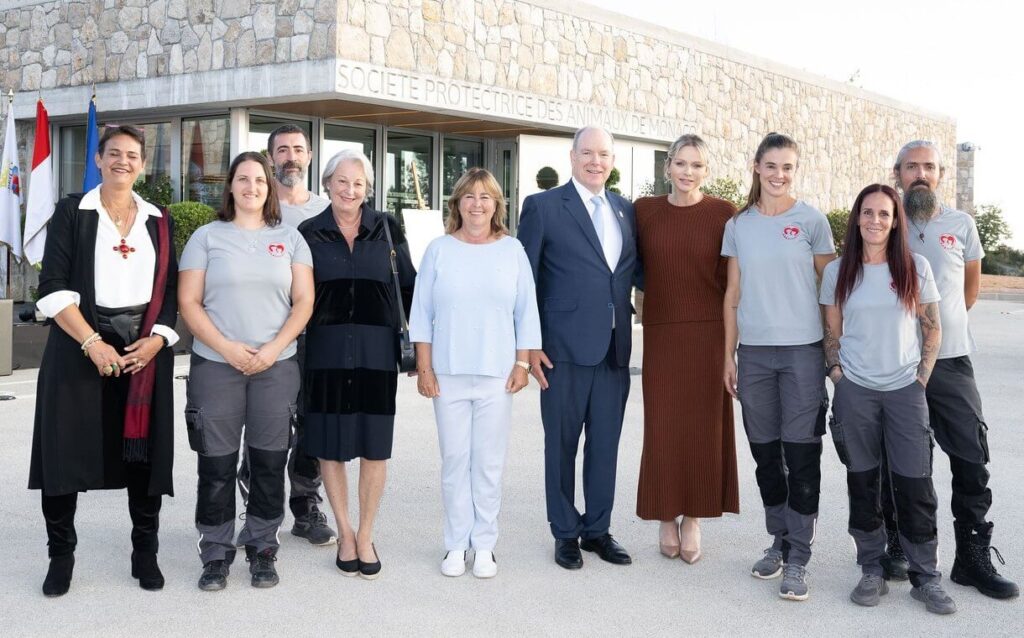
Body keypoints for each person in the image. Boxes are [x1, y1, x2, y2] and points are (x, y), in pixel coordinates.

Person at [29, 125, 179, 596]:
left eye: (132, 155)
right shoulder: (73, 212)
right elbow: (51, 286)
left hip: (143, 350)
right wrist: (92, 343)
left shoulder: (159, 218)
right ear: (98, 160)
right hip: (79, 344)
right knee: (64, 452)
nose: (123, 161)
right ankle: (61, 557)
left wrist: (157, 340)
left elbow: (171, 289)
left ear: (142, 164)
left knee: (144, 456)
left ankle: (145, 552)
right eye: (114, 153)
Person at [879, 140, 1018, 599]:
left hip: (952, 361)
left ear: (941, 174)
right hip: (894, 365)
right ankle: (898, 544)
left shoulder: (961, 225)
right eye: (911, 166)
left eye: (929, 167)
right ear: (897, 172)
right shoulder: (882, 220)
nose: (921, 173)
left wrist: (942, 335)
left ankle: (972, 557)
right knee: (897, 461)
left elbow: (968, 291)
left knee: (971, 459)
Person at [178, 152, 314, 590]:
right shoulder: (206, 237)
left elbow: (304, 302)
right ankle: (215, 553)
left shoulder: (291, 238)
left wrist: (273, 348)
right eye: (243, 179)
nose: (251, 186)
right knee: (216, 466)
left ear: (269, 187)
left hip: (276, 367)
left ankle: (262, 548)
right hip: (217, 366)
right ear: (230, 186)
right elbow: (189, 303)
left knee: (269, 463)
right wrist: (228, 348)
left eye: (259, 179)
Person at [821, 183, 955, 614]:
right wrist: (838, 376)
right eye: (867, 212)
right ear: (856, 218)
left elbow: (933, 328)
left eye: (883, 213)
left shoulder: (914, 267)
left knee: (916, 484)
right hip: (855, 391)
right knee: (863, 482)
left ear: (896, 220)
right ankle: (871, 568)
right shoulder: (839, 270)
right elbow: (831, 333)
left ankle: (926, 577)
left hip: (904, 391)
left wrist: (920, 379)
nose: (874, 221)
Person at [409, 168, 542, 578]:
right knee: (454, 461)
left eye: (486, 196)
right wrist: (424, 368)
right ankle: (455, 544)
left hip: (496, 374)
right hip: (447, 373)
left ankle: (484, 545)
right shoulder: (439, 250)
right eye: (469, 196)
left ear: (497, 204)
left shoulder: (512, 250)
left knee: (487, 463)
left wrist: (522, 364)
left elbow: (526, 311)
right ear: (458, 203)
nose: (477, 203)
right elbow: (422, 313)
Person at [518, 125, 638, 570]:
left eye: (603, 154)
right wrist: (528, 346)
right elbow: (523, 279)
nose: (595, 162)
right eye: (587, 153)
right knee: (562, 446)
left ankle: (598, 530)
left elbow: (632, 274)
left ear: (612, 160)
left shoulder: (626, 210)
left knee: (605, 445)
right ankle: (565, 532)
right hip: (562, 350)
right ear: (572, 157)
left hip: (614, 350)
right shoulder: (543, 207)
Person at [721, 132, 835, 601]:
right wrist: (727, 354)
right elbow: (732, 296)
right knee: (766, 455)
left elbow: (832, 292)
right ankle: (778, 539)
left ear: (795, 170)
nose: (779, 175)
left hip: (803, 355)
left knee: (802, 455)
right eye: (771, 166)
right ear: (756, 167)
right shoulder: (740, 224)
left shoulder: (812, 221)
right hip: (755, 358)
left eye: (787, 167)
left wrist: (834, 352)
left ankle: (799, 556)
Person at [296, 149, 415, 580]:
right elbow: (295, 294)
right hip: (324, 352)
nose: (350, 190)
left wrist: (419, 347)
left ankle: (366, 533)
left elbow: (410, 286)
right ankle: (344, 531)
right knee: (330, 446)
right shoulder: (309, 232)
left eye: (358, 183)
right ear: (327, 184)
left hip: (376, 353)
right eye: (342, 181)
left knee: (373, 445)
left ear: (368, 188)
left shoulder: (386, 227)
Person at [634, 134, 739, 564]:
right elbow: (632, 268)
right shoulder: (644, 212)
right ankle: (664, 514)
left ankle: (694, 516)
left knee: (703, 426)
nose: (687, 172)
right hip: (661, 332)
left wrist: (731, 349)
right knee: (662, 424)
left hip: (708, 335)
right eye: (680, 163)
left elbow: (733, 286)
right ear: (667, 167)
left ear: (706, 171)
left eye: (696, 165)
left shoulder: (723, 214)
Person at [236, 124, 336, 546]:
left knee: (312, 422)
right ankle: (258, 503)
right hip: (269, 335)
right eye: (282, 150)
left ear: (310, 157)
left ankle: (305, 504)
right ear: (270, 157)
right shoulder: (256, 203)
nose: (291, 157)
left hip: (322, 335)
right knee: (269, 422)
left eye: (298, 149)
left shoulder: (330, 208)